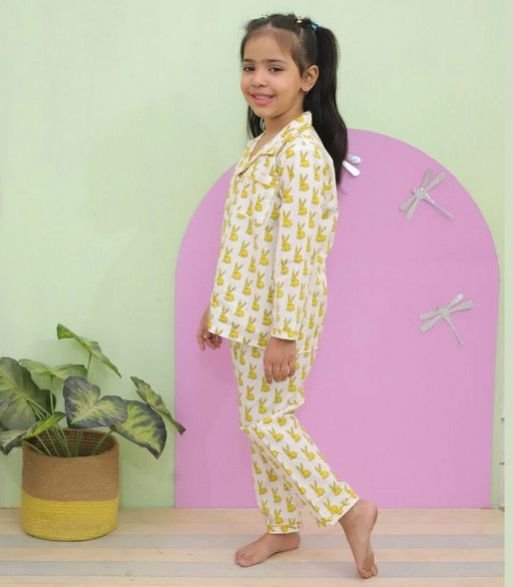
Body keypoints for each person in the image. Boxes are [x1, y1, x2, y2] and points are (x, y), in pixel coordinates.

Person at [197, 13, 378, 579]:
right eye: (249, 66)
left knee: (268, 422)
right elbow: (245, 240)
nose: (258, 79)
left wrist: (285, 334)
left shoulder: (302, 153)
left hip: (280, 319)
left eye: (275, 68)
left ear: (308, 77)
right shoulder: (261, 146)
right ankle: (281, 526)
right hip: (246, 313)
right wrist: (217, 306)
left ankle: (349, 509)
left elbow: (298, 255)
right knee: (259, 425)